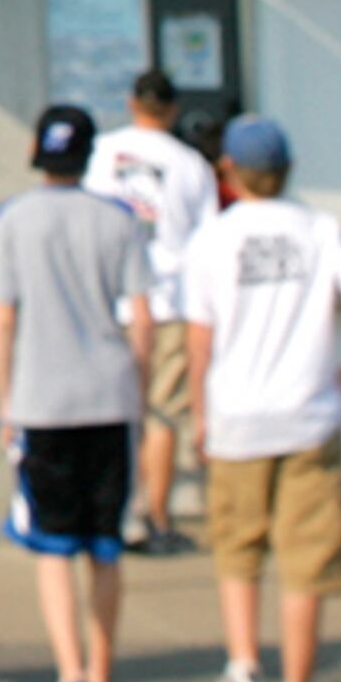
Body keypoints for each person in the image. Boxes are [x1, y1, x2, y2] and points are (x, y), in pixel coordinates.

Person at [185, 115, 341, 682]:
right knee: (306, 561)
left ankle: (244, 668)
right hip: (308, 414)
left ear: (230, 173)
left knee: (239, 551)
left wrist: (199, 410)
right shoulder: (320, 229)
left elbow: (199, 335)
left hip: (238, 413)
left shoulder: (214, 238)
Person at [0, 106, 156, 682]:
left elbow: (2, 319)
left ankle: (71, 679)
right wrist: (140, 387)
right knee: (105, 548)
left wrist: (6, 402)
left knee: (53, 548)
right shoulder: (118, 220)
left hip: (41, 400)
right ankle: (104, 680)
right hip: (108, 395)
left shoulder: (11, 221)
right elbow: (142, 315)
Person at [86, 70, 221, 555]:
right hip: (168, 303)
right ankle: (154, 517)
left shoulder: (101, 154)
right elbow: (208, 242)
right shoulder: (191, 165)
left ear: (131, 103)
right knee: (161, 415)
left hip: (110, 302)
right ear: (173, 109)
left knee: (109, 415)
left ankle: (108, 514)